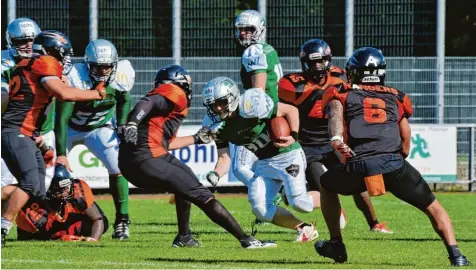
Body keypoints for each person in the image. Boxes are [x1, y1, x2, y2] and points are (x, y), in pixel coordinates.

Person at [314, 47, 471, 267]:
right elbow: (405, 135)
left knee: (326, 184)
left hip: (358, 163)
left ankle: (336, 244)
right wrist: (399, 158)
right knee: (432, 206)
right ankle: (457, 255)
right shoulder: (396, 96)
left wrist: (336, 138)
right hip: (393, 163)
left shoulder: (341, 91)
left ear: (353, 72)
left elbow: (336, 115)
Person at [118, 64, 275, 249]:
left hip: (130, 163)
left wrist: (196, 139)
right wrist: (133, 124)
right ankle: (246, 239)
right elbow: (147, 102)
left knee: (184, 179)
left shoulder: (161, 116)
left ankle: (184, 237)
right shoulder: (175, 91)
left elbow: (168, 144)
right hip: (147, 158)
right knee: (202, 195)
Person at [1, 30, 107, 247]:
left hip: (27, 133)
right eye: (62, 53)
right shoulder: (45, 62)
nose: (64, 58)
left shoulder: (24, 65)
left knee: (38, 189)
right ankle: (2, 228)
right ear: (50, 51)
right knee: (29, 184)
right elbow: (64, 94)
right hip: (17, 130)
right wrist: (96, 94)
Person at [278, 38, 392, 233]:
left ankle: (374, 223)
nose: (317, 66)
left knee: (357, 179)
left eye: (321, 61)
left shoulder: (340, 77)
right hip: (308, 145)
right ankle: (329, 209)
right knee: (323, 184)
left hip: (334, 139)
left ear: (328, 60)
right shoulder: (292, 85)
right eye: (313, 62)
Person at [202, 76, 319, 242]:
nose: (218, 108)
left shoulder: (251, 104)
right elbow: (224, 157)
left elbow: (290, 110)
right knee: (261, 209)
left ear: (233, 96)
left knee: (301, 203)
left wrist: (294, 135)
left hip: (287, 155)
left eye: (221, 102)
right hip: (264, 162)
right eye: (214, 104)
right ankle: (304, 228)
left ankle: (330, 200)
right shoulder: (216, 125)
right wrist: (216, 174)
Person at [57, 39, 134, 240]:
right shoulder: (75, 76)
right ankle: (53, 219)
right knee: (53, 172)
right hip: (71, 128)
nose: (103, 71)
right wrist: (61, 154)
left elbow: (124, 100)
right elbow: (63, 119)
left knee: (118, 167)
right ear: (88, 64)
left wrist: (122, 124)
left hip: (100, 127)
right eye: (98, 67)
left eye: (108, 66)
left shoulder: (121, 75)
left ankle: (122, 220)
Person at [1, 18, 58, 210]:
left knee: (40, 188)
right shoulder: (4, 63)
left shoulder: (48, 61)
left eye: (32, 40)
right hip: (14, 129)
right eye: (21, 41)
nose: (28, 45)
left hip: (42, 129)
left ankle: (27, 230)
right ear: (11, 42)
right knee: (6, 180)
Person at [16, 164, 108, 241]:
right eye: (60, 190)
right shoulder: (36, 202)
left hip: (71, 219)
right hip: (49, 219)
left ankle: (68, 233)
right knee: (39, 223)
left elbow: (98, 219)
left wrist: (93, 239)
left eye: (67, 188)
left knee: (102, 222)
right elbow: (23, 238)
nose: (66, 192)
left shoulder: (77, 191)